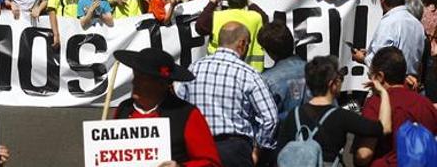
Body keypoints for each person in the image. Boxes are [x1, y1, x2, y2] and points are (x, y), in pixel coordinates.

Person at [177, 22, 278, 167]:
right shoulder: (248, 73)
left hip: (197, 148)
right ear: (242, 43)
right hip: (234, 151)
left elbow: (181, 106)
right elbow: (270, 117)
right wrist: (259, 149)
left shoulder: (194, 68)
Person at [112, 47, 221, 167]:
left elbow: (211, 163)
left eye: (142, 78)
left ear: (161, 84)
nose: (134, 82)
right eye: (135, 75)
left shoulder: (185, 114)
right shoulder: (124, 109)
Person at [276, 56, 391, 166]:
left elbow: (280, 151)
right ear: (332, 84)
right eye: (340, 78)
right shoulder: (341, 116)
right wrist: (383, 93)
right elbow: (384, 128)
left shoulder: (294, 114)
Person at [353, 47, 437, 167]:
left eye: (371, 74)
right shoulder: (425, 104)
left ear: (380, 76)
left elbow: (365, 154)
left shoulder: (376, 103)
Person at [352, 0, 426, 82]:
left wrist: (363, 59)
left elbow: (380, 59)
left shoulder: (388, 23)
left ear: (382, 0)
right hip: (411, 81)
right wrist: (369, 53)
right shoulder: (417, 24)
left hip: (391, 83)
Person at [196, 0, 268, 71]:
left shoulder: (217, 16)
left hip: (219, 70)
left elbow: (199, 27)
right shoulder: (256, 17)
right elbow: (265, 19)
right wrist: (248, 1)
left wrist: (211, 3)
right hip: (250, 71)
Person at [258, 22, 308, 121]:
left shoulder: (267, 80)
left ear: (270, 52)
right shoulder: (316, 70)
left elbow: (266, 119)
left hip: (284, 134)